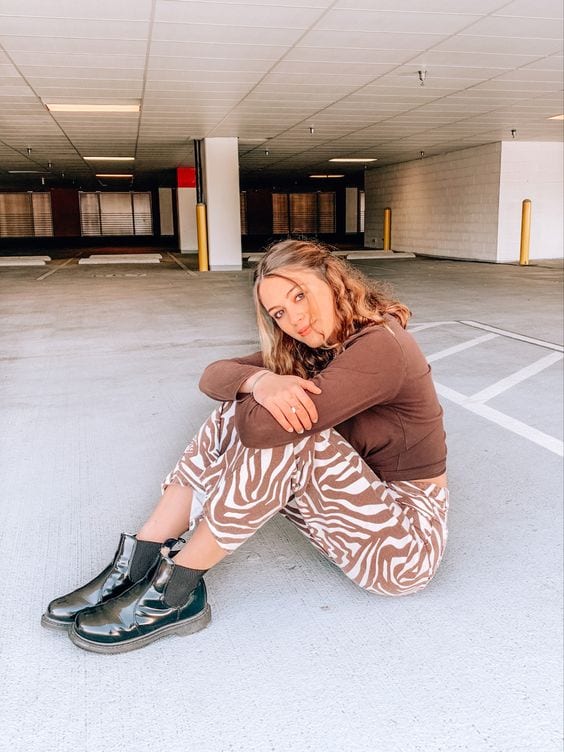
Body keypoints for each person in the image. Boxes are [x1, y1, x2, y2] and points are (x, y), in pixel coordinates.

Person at [42, 239, 448, 654]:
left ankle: (175, 591)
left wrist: (260, 392)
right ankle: (138, 562)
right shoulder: (316, 349)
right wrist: (259, 381)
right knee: (250, 403)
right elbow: (214, 374)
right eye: (279, 313)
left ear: (332, 278)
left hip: (404, 548)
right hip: (357, 521)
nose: (296, 319)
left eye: (299, 295)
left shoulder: (382, 345)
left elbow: (261, 432)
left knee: (290, 429)